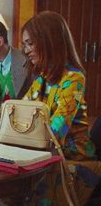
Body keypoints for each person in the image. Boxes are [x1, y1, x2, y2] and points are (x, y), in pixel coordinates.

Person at [21, 11, 100, 205]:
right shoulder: (41, 79)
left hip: (72, 160)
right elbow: (21, 112)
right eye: (25, 45)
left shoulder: (73, 78)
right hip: (49, 154)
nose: (26, 50)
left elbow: (55, 132)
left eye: (30, 43)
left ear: (50, 40)